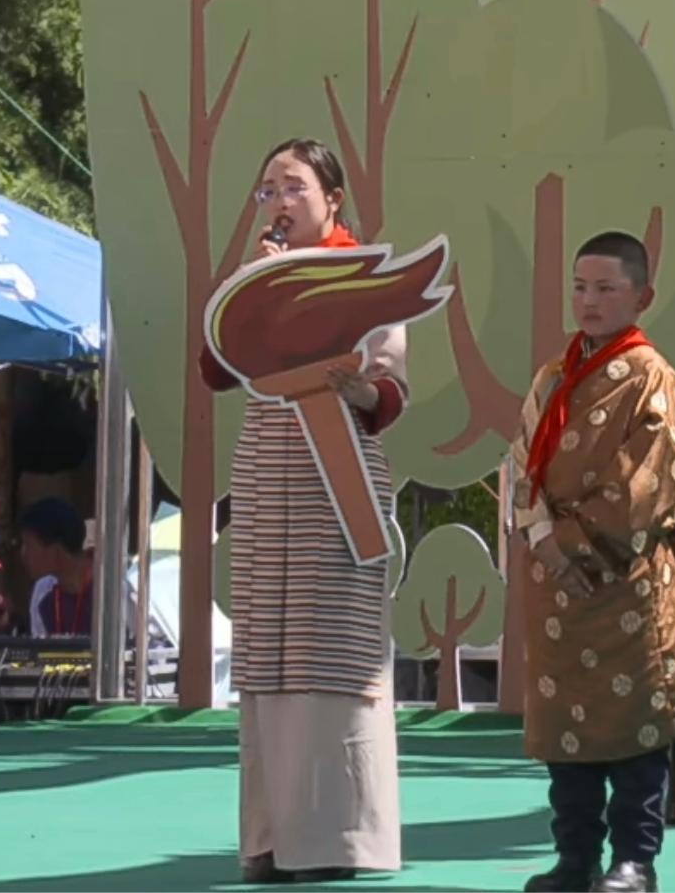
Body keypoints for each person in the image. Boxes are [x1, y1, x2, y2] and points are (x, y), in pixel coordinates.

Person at [200, 137, 407, 884]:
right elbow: (214, 369)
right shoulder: (255, 277)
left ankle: (336, 840)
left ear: (332, 199)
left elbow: (389, 395)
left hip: (336, 472)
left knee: (330, 649)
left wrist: (358, 389)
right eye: (269, 189)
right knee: (269, 648)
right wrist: (247, 290)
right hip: (268, 468)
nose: (280, 202)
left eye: (293, 187)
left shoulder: (366, 278)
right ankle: (269, 838)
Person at [508, 231, 675, 893]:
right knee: (564, 732)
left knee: (635, 731)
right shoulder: (554, 375)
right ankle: (574, 859)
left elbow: (643, 488)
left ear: (642, 297)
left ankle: (636, 861)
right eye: (580, 287)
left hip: (627, 584)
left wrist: (570, 544)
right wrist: (542, 538)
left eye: (605, 288)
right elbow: (521, 463)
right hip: (557, 589)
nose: (589, 300)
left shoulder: (651, 379)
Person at [18, 498, 93, 638]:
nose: (23, 553)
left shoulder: (112, 590)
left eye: (28, 545)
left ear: (55, 551)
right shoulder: (42, 590)